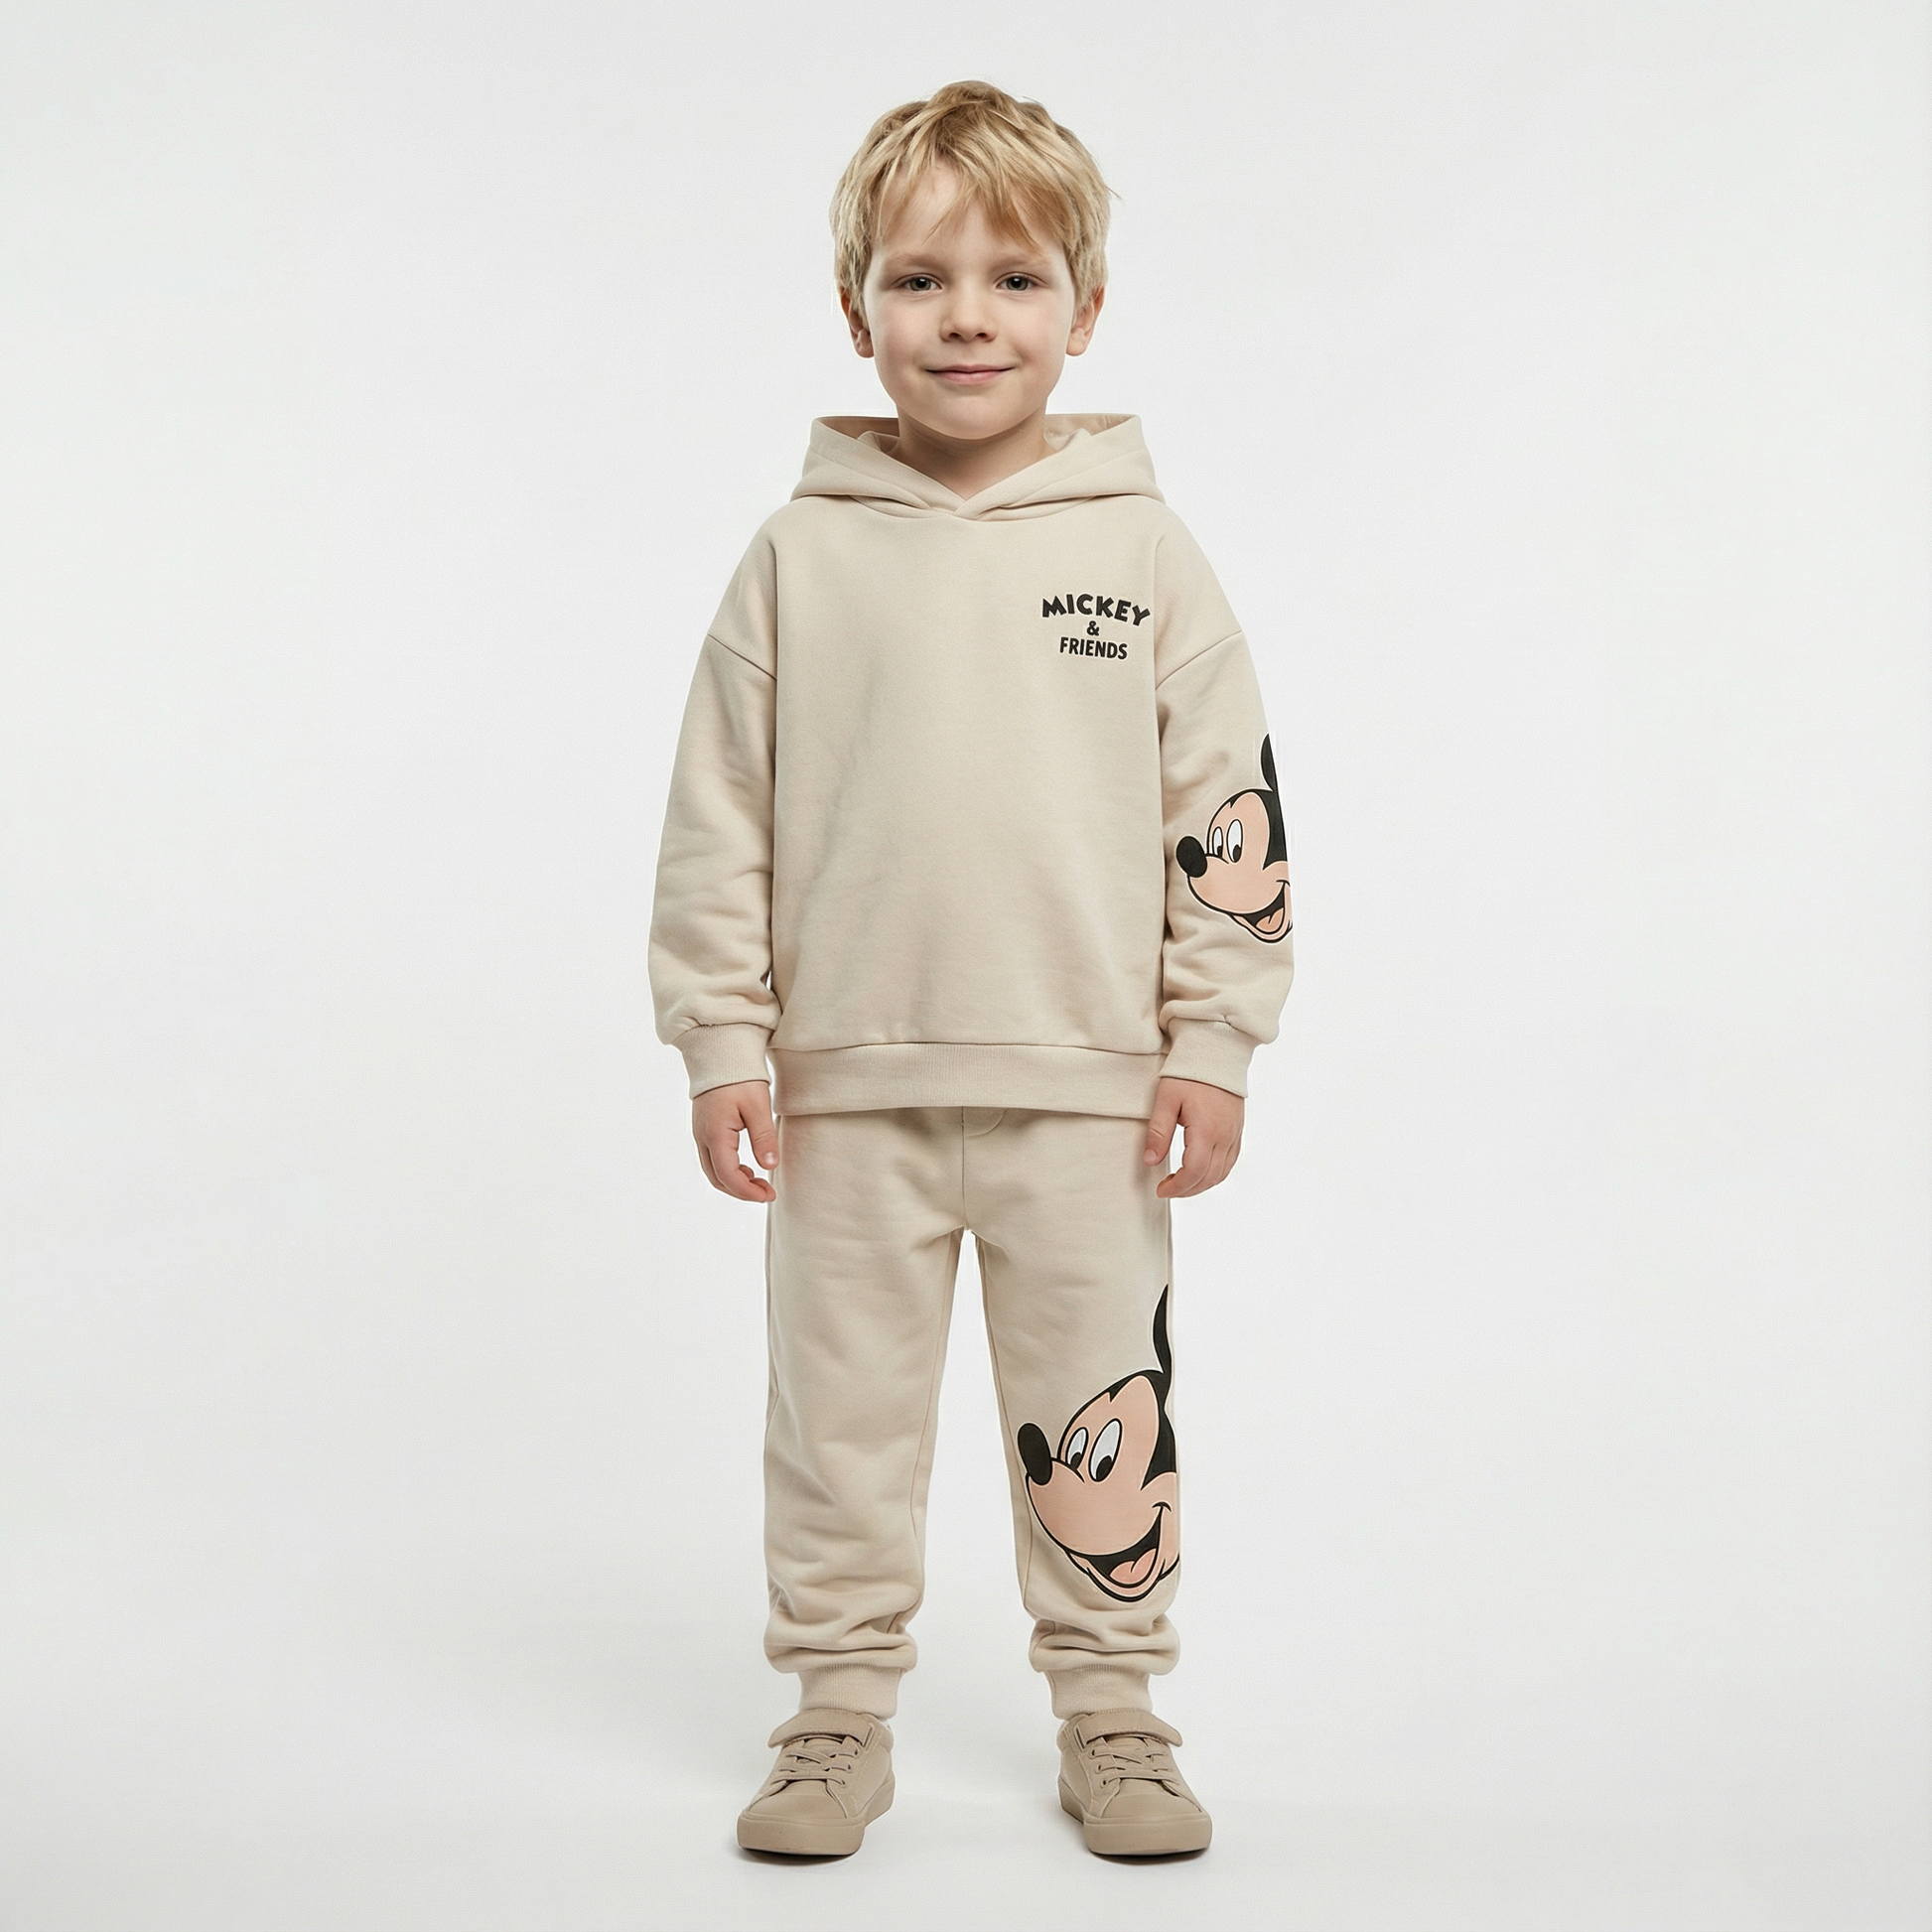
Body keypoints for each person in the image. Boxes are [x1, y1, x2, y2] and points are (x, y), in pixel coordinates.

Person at [648, 79, 1294, 1860]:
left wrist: (1214, 1041)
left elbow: (1224, 807)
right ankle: (833, 1713)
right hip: (840, 1091)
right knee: (837, 1425)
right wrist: (719, 1039)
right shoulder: (797, 554)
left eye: (1014, 279)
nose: (965, 319)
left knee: (1099, 1412)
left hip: (1088, 1093)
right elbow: (717, 815)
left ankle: (1116, 1712)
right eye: (919, 279)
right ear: (853, 306)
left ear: (1084, 308)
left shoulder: (1142, 549)